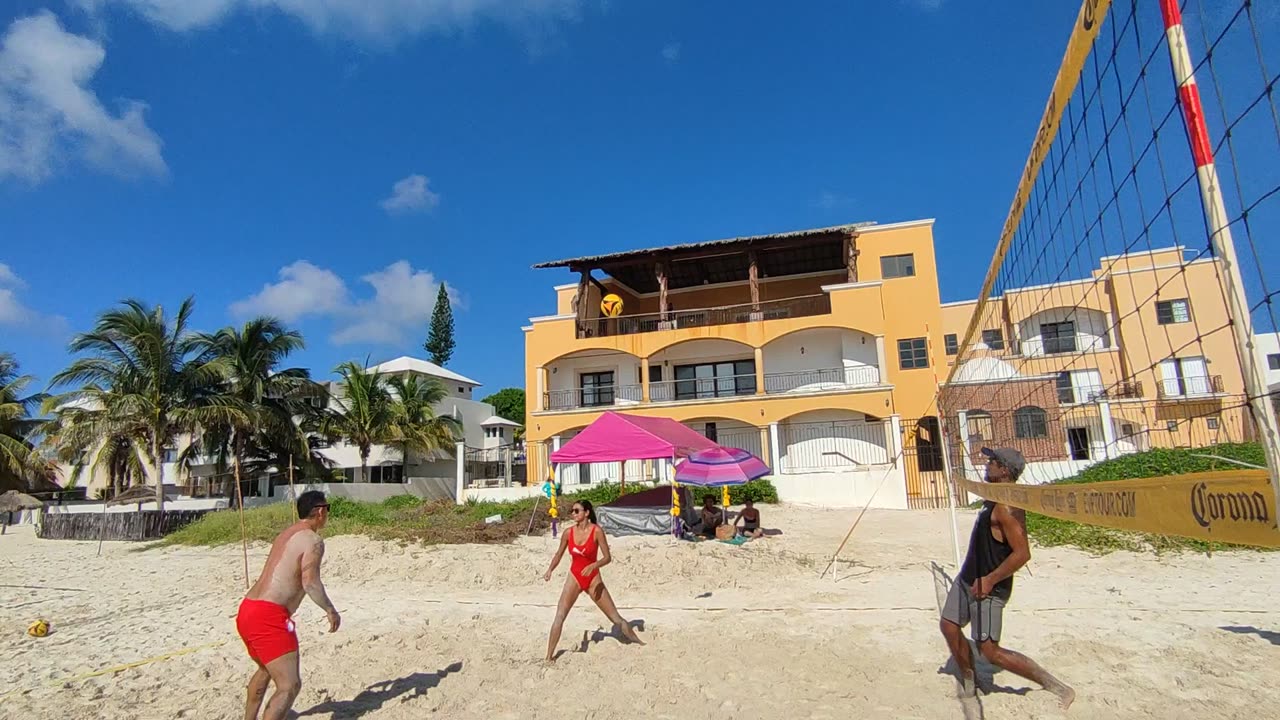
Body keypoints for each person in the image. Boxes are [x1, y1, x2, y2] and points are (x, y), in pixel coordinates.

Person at [939, 447, 1074, 709]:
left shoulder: (1008, 507)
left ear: (1004, 470)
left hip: (989, 587)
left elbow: (1023, 554)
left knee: (990, 651)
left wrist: (990, 579)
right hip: (968, 578)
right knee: (948, 626)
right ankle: (969, 677)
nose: (986, 464)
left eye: (992, 462)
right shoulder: (993, 497)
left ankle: (1055, 685)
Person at [236, 490, 341, 720]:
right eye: (328, 509)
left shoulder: (287, 533)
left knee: (266, 669)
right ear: (321, 511)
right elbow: (310, 582)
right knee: (289, 686)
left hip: (248, 609)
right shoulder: (313, 540)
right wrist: (330, 609)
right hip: (269, 615)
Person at [543, 500, 644, 662]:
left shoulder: (597, 531)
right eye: (572, 511)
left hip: (593, 578)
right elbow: (558, 554)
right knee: (559, 616)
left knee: (615, 618)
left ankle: (638, 642)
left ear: (587, 512)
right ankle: (548, 657)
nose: (573, 514)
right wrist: (550, 570)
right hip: (575, 576)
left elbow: (607, 558)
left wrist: (594, 565)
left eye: (576, 510)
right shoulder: (568, 533)